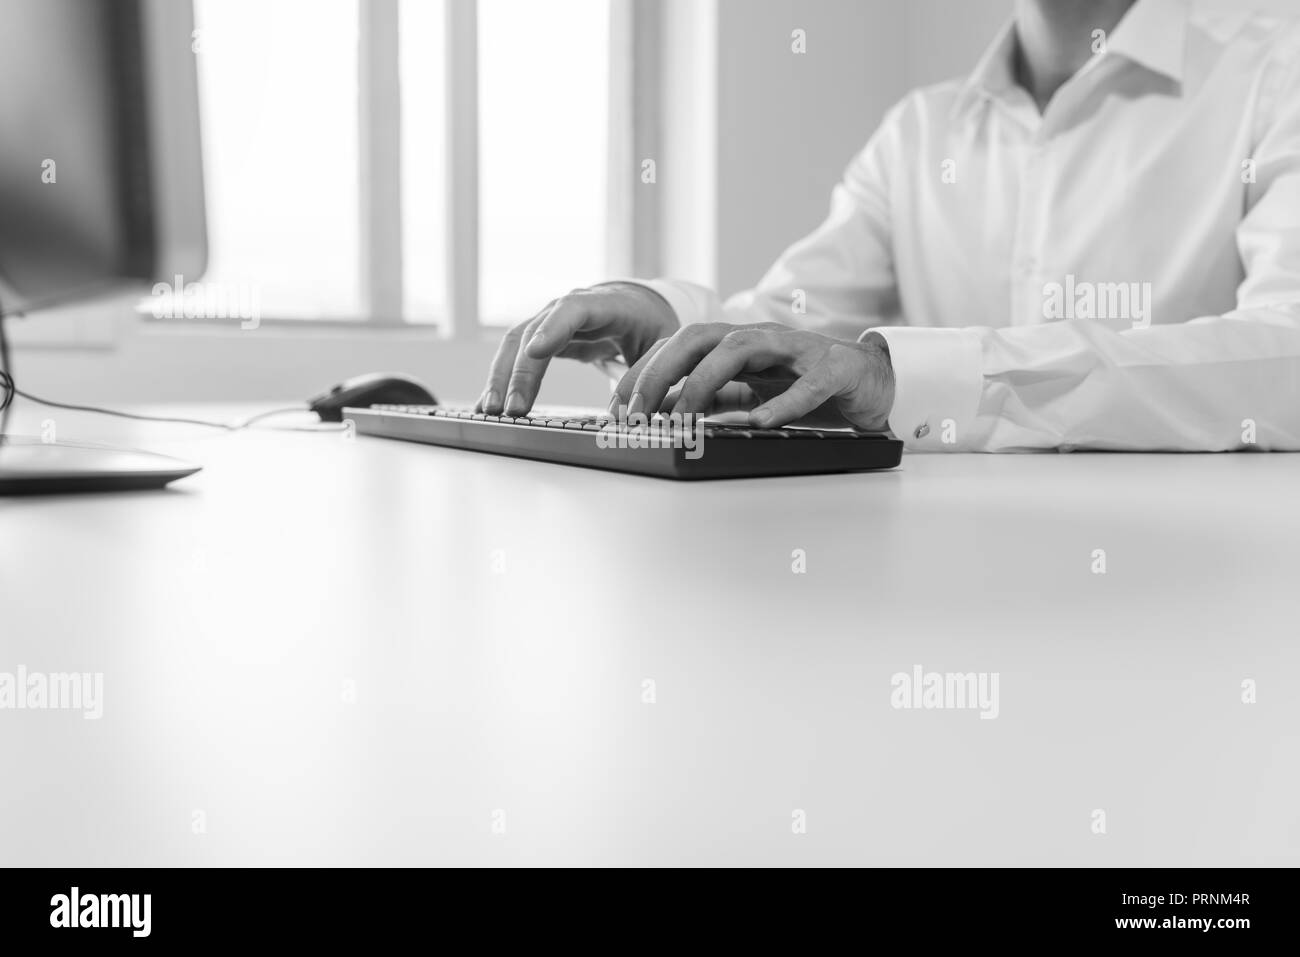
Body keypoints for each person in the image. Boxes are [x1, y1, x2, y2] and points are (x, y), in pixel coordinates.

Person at [477, 0, 1300, 452]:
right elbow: (795, 323)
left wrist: (900, 373)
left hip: (1197, 608)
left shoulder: (1277, 70)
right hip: (933, 583)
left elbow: (1288, 359)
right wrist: (675, 327)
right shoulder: (922, 130)